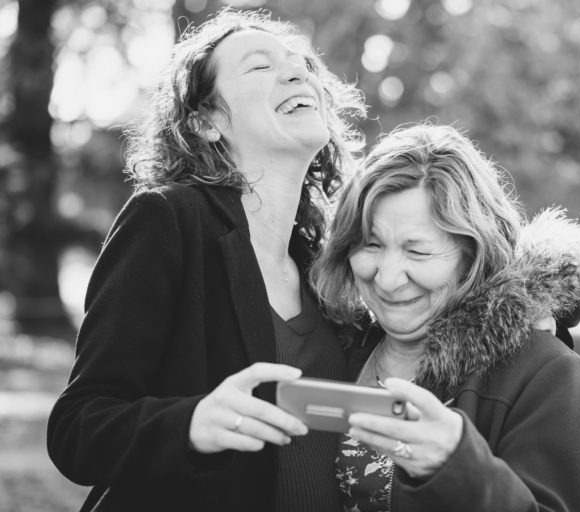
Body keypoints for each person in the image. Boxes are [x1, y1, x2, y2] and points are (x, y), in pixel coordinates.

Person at [47, 8, 366, 512]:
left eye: (299, 63)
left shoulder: (327, 263)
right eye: (259, 67)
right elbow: (78, 428)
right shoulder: (168, 220)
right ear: (207, 122)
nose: (296, 71)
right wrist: (193, 423)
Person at [311, 123, 580, 511]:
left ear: (473, 254)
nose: (386, 278)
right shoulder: (335, 345)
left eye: (417, 252)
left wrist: (457, 464)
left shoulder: (545, 371)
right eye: (371, 245)